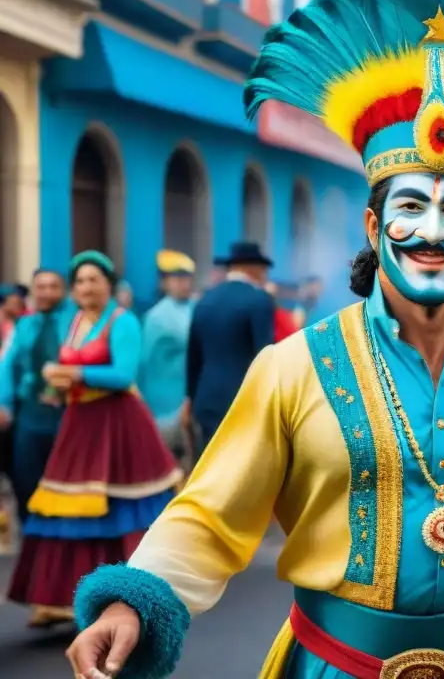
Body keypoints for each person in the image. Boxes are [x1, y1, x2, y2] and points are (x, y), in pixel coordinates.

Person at [68, 0, 444, 679]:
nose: (432, 231)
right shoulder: (292, 366)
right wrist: (129, 605)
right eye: (410, 206)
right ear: (372, 226)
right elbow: (209, 515)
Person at [7, 251, 181, 628]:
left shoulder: (123, 321)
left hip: (118, 426)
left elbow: (122, 374)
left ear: (109, 285)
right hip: (79, 422)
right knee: (68, 509)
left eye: (94, 280)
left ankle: (133, 598)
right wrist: (58, 388)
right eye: (81, 282)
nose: (87, 287)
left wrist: (72, 372)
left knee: (119, 511)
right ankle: (64, 598)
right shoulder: (76, 322)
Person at [185, 241, 274, 457]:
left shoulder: (205, 299)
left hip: (206, 398)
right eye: (262, 269)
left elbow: (193, 356)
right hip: (244, 401)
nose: (264, 275)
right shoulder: (259, 300)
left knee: (209, 465)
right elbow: (266, 356)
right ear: (250, 268)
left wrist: (189, 398)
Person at [0, 269, 74, 523]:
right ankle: (31, 542)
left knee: (65, 482)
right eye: (41, 287)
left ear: (63, 291)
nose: (47, 292)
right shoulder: (24, 325)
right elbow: (7, 365)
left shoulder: (76, 322)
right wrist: (4, 404)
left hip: (67, 414)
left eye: (53, 286)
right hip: (30, 413)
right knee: (25, 480)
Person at [138, 251, 196, 464]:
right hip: (162, 403)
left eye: (187, 279)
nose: (184, 284)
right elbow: (144, 361)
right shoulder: (157, 316)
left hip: (187, 399)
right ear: (165, 282)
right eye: (178, 279)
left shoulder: (195, 308)